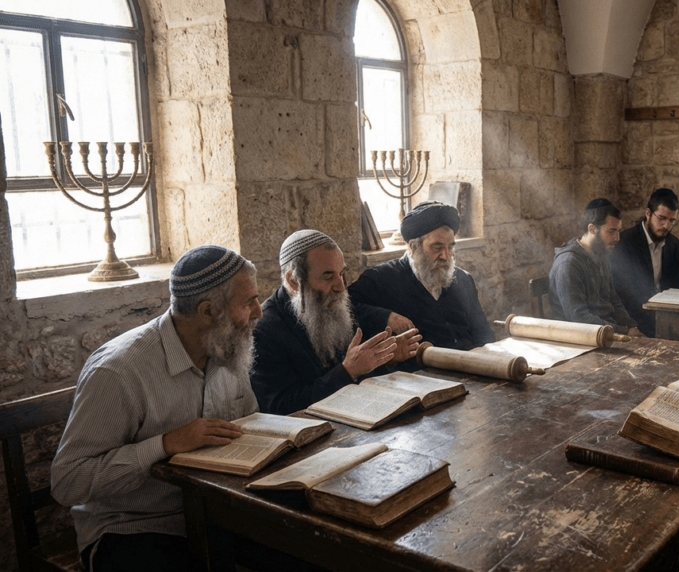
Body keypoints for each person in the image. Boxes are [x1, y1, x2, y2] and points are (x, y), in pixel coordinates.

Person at [51, 246, 264, 571]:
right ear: (208, 311)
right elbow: (68, 482)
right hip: (134, 528)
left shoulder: (227, 349)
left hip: (215, 514)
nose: (259, 312)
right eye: (249, 302)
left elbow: (249, 426)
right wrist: (164, 445)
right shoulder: (119, 371)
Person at [251, 230, 422, 415]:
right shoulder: (264, 330)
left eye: (341, 274)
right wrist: (347, 371)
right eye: (328, 276)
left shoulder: (333, 304)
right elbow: (279, 407)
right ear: (294, 281)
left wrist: (383, 359)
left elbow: (356, 372)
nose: (341, 287)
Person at [348, 201, 494, 351]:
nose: (446, 256)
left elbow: (483, 333)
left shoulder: (464, 280)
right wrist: (385, 317)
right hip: (420, 372)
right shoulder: (381, 279)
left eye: (450, 247)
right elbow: (346, 306)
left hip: (471, 364)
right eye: (437, 247)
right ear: (413, 247)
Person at [549, 198, 639, 335]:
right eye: (611, 231)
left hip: (606, 333)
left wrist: (631, 326)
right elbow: (579, 318)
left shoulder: (600, 255)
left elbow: (614, 300)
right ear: (591, 229)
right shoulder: (568, 264)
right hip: (580, 340)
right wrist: (624, 331)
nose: (617, 238)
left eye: (618, 231)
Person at [610, 188, 679, 337]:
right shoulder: (625, 242)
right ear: (648, 214)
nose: (666, 226)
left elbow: (677, 285)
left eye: (672, 220)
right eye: (662, 218)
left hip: (667, 317)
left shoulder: (674, 244)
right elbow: (620, 293)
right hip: (635, 319)